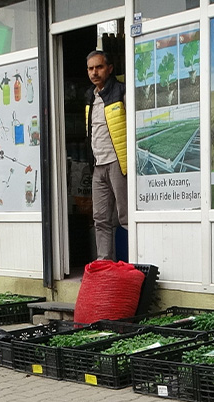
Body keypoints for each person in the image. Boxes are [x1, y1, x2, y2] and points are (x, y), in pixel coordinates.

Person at [85, 49, 127, 261]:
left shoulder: (121, 92)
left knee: (125, 216)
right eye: (91, 68)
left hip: (118, 163)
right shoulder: (89, 96)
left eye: (99, 67)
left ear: (109, 69)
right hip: (98, 165)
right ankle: (104, 263)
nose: (94, 72)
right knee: (100, 218)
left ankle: (134, 262)